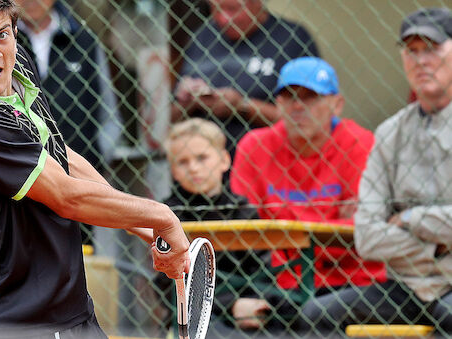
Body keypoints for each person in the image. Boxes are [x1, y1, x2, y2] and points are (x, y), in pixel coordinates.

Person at [0, 1, 189, 337]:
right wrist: (162, 216)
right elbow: (67, 196)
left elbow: (58, 154)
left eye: (2, 35)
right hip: (2, 324)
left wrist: (141, 227)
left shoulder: (16, 66)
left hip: (70, 316)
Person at [302, 7, 452, 335]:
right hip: (408, 285)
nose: (421, 61)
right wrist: (438, 245)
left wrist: (412, 219)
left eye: (432, 48)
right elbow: (368, 236)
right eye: (411, 51)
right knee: (316, 313)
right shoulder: (390, 133)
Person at [230, 57, 386, 330]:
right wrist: (330, 229)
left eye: (310, 97)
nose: (298, 107)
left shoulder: (360, 143)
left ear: (336, 104)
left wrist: (283, 235)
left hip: (349, 280)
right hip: (275, 281)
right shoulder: (254, 146)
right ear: (277, 104)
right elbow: (246, 232)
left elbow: (362, 232)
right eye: (288, 97)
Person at [15, 0, 124, 244]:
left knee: (79, 262)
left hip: (78, 185)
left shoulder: (84, 41)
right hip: (21, 182)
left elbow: (109, 114)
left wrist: (95, 159)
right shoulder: (2, 43)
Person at [154, 118, 262, 332]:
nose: (193, 168)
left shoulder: (243, 211)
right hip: (190, 316)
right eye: (182, 162)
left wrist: (255, 302)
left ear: (224, 160)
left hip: (247, 312)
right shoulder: (168, 214)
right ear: (173, 170)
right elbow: (166, 285)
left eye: (202, 158)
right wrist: (230, 303)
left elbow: (262, 270)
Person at [172, 0, 319, 156]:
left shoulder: (292, 39)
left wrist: (242, 106)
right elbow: (167, 118)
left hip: (270, 161)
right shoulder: (200, 38)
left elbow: (312, 118)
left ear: (258, 3)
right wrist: (188, 100)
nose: (224, 18)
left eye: (232, 8)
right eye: (216, 9)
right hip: (204, 165)